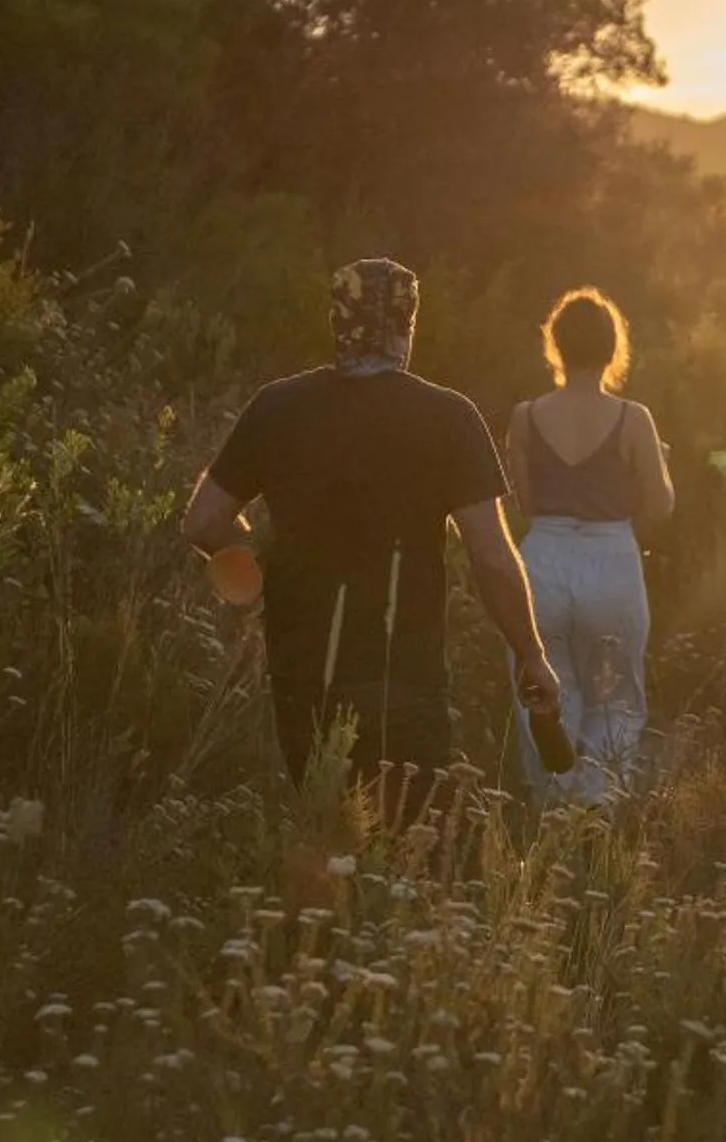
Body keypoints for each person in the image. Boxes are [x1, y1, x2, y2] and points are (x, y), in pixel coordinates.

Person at [180, 258, 561, 792]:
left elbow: (203, 522)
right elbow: (492, 557)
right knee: (407, 848)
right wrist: (531, 655)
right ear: (408, 325)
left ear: (336, 321)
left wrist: (259, 574)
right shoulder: (449, 416)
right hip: (403, 672)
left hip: (301, 669)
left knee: (326, 831)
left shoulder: (277, 407)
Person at [504, 289, 673, 800]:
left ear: (555, 345)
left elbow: (522, 505)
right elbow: (661, 505)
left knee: (544, 696)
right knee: (615, 698)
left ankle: (551, 805)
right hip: (611, 557)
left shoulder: (526, 416)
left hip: (544, 560)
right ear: (612, 348)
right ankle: (596, 811)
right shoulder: (633, 418)